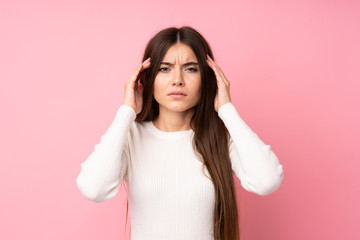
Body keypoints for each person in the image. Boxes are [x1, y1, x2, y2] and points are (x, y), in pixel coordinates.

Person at [76, 26, 284, 240]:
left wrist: (226, 109)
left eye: (190, 69)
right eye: (164, 69)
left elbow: (266, 180)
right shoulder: (130, 137)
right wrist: (126, 112)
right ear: (146, 79)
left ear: (208, 78)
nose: (177, 80)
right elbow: (94, 188)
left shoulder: (222, 137)